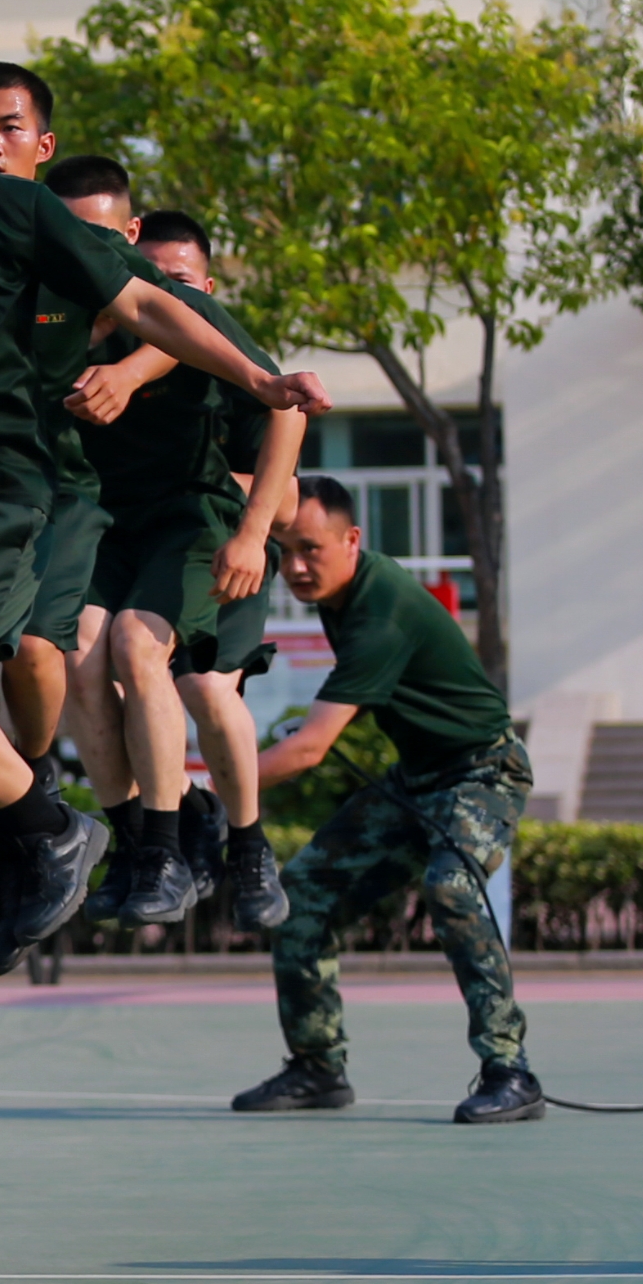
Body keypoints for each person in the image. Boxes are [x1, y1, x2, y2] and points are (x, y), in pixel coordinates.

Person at [0, 16, 326, 973]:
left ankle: (118, 830)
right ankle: (24, 838)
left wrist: (256, 383)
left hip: (8, 489)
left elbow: (148, 304)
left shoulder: (21, 215)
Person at [232, 478, 545, 1125]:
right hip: (418, 778)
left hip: (484, 771)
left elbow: (310, 749)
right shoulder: (340, 591)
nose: (294, 567)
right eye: (283, 550)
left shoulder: (381, 609)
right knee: (303, 897)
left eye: (310, 550)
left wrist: (202, 794)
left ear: (353, 540)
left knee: (453, 888)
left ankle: (510, 1070)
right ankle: (318, 1069)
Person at [65, 195, 301, 932]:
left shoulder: (213, 349)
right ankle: (144, 840)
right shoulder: (75, 322)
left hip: (219, 544)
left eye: (182, 280)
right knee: (86, 655)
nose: (167, 289)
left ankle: (248, 843)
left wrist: (250, 527)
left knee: (202, 685)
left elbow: (287, 472)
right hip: (126, 543)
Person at [0, 61, 129, 813]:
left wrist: (133, 373)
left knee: (36, 648)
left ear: (42, 145)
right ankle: (3, 804)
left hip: (52, 488)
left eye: (9, 128)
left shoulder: (70, 242)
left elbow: (168, 312)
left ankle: (35, 783)